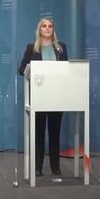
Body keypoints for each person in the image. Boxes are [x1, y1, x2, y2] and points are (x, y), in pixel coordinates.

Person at [18, 17, 68, 177]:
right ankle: (37, 167)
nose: (47, 28)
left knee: (55, 134)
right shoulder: (32, 48)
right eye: (44, 26)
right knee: (38, 134)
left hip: (56, 96)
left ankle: (55, 168)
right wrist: (32, 69)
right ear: (39, 30)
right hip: (38, 96)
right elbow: (21, 69)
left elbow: (66, 69)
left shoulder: (61, 48)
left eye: (50, 26)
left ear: (53, 30)